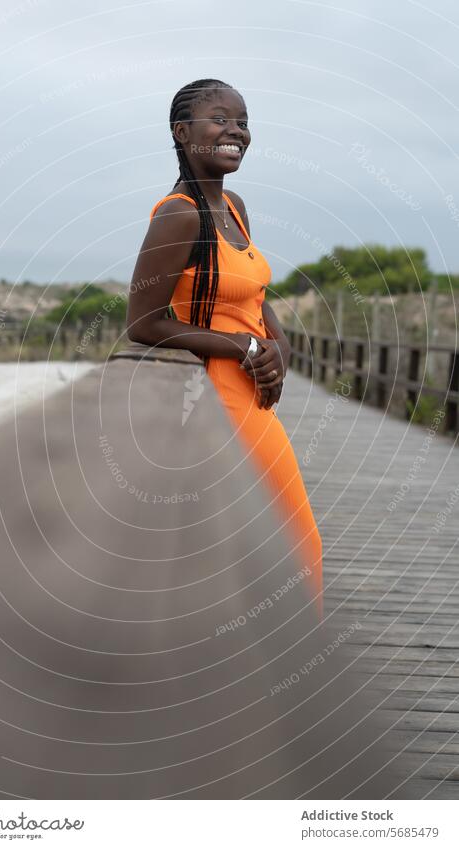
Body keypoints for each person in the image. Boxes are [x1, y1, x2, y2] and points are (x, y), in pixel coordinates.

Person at [126, 78, 323, 619]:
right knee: (289, 546)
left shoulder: (233, 207)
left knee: (291, 541)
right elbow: (142, 322)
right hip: (216, 396)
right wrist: (238, 345)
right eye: (220, 119)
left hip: (252, 393)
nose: (235, 130)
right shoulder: (178, 214)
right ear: (182, 132)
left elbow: (253, 296)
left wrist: (276, 347)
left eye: (242, 121)